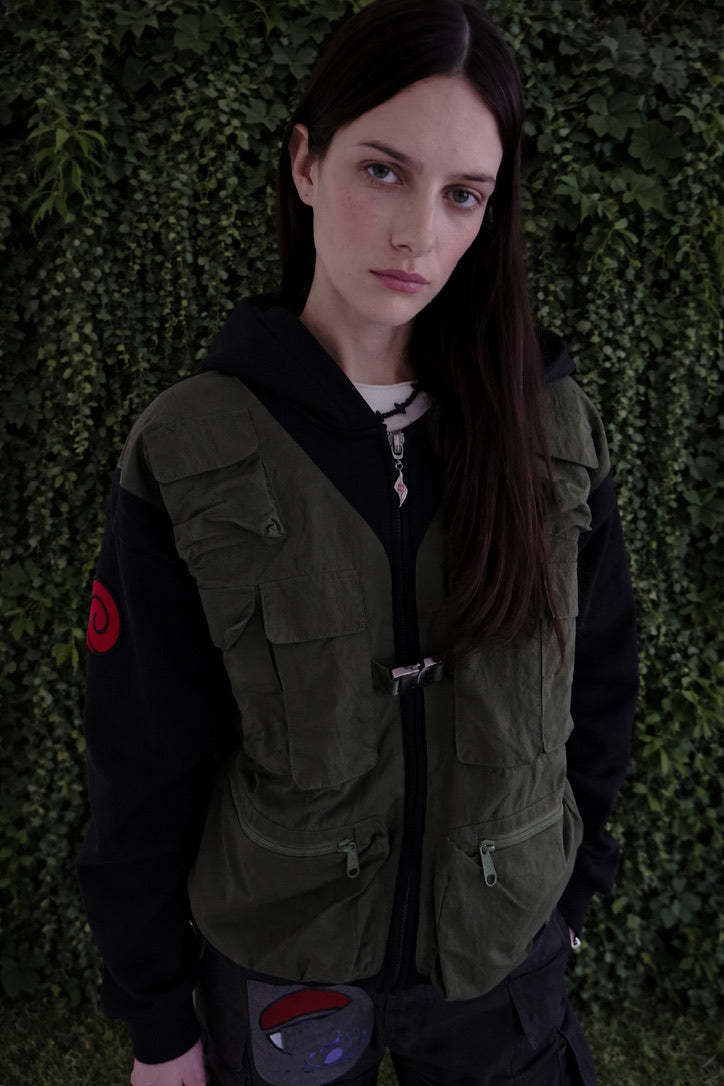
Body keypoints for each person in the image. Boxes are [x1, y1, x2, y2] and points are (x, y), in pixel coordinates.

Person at [75, 0, 638, 1083]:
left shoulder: (551, 427)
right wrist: (157, 1019)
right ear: (305, 163)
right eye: (383, 170)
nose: (419, 233)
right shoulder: (193, 445)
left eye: (463, 193)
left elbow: (600, 678)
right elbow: (140, 750)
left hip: (502, 961)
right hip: (283, 962)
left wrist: (572, 894)